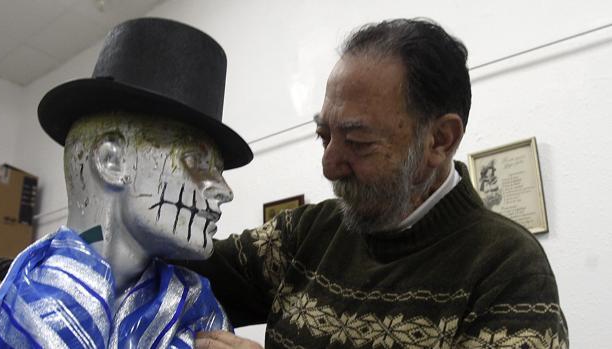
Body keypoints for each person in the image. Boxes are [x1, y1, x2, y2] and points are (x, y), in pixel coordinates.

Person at [187, 19, 569, 348]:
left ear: (440, 140)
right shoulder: (309, 233)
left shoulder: (509, 271)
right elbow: (193, 269)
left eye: (357, 143)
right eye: (325, 136)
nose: (330, 165)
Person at [0, 18, 258, 348]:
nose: (224, 190)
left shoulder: (194, 308)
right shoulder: (25, 299)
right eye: (198, 163)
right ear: (111, 161)